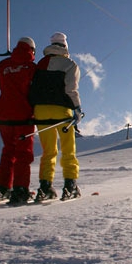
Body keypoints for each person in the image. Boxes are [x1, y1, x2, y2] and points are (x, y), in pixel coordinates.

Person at [29, 32, 83, 202]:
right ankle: (70, 185)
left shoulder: (39, 65)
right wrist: (77, 109)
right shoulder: (70, 64)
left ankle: (45, 186)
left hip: (41, 112)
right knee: (68, 150)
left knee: (48, 151)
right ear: (65, 47)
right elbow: (71, 90)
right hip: (62, 111)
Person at [0, 37, 37, 205]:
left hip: (5, 118)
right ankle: (20, 190)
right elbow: (39, 92)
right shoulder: (32, 67)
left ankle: (2, 189)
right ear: (32, 50)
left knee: (8, 152)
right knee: (23, 154)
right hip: (25, 118)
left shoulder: (2, 66)